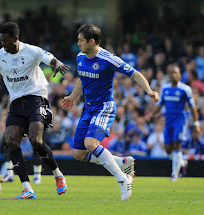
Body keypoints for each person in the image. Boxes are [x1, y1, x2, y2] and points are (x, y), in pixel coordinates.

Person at [0, 22, 69, 199]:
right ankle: (27, 188)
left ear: (16, 39)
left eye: (6, 41)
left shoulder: (32, 51)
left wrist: (57, 64)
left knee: (35, 141)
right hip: (16, 102)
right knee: (11, 141)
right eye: (1, 41)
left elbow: (51, 59)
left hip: (36, 98)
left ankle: (58, 175)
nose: (3, 44)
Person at [61, 24, 159, 201]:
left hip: (104, 107)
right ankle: (122, 163)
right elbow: (82, 80)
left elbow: (134, 73)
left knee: (91, 143)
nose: (78, 43)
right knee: (78, 153)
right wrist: (72, 97)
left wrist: (149, 90)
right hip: (88, 108)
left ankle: (122, 180)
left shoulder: (108, 59)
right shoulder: (80, 56)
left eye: (81, 40)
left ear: (92, 41)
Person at [152, 65, 200, 181]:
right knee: (168, 148)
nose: (173, 75)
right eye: (171, 73)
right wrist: (151, 116)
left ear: (179, 75)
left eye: (176, 73)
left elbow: (193, 108)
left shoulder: (185, 89)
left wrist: (196, 123)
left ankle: (174, 174)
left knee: (177, 145)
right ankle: (181, 162)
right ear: (169, 75)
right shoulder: (165, 88)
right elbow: (160, 104)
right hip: (168, 122)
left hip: (180, 121)